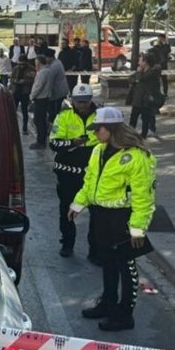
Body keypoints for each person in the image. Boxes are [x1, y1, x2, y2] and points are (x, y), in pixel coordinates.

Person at [69, 107, 156, 331]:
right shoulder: (99, 149)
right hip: (102, 216)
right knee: (107, 262)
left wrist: (138, 228)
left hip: (124, 219)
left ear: (112, 129)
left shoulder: (137, 156)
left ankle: (125, 314)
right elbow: (90, 180)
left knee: (127, 267)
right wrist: (78, 203)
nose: (95, 133)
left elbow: (143, 195)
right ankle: (108, 302)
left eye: (98, 129)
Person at [50, 84, 99, 257]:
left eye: (86, 101)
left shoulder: (100, 117)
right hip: (68, 174)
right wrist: (73, 143)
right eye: (79, 102)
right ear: (72, 100)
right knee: (67, 209)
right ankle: (67, 242)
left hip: (94, 175)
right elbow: (54, 143)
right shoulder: (63, 117)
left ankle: (95, 249)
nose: (83, 105)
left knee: (98, 213)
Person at [29, 54, 69, 149]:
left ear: (39, 63)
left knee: (39, 121)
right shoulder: (47, 71)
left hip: (40, 99)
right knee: (41, 120)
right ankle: (42, 140)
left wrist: (32, 96)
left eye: (36, 63)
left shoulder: (43, 72)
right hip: (45, 98)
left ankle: (41, 142)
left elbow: (38, 86)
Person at [127, 53, 163, 139]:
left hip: (146, 100)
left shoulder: (152, 72)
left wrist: (138, 75)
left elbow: (142, 79)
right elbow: (130, 78)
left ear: (145, 62)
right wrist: (135, 80)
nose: (138, 62)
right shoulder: (140, 71)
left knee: (145, 119)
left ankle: (144, 134)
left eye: (140, 60)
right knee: (133, 118)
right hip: (137, 99)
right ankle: (130, 134)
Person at [10, 54, 37, 135]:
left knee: (24, 110)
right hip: (16, 91)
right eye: (20, 64)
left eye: (23, 64)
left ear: (26, 62)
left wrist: (24, 81)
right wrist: (14, 81)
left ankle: (24, 128)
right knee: (13, 110)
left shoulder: (31, 69)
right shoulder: (15, 68)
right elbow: (11, 78)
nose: (21, 66)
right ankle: (12, 127)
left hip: (25, 92)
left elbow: (34, 80)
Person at [151, 33, 172, 98]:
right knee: (156, 80)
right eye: (159, 38)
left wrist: (165, 43)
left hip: (163, 65)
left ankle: (165, 93)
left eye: (161, 38)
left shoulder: (166, 46)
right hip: (157, 65)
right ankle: (157, 93)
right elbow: (153, 53)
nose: (160, 40)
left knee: (164, 80)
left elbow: (167, 51)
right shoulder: (156, 46)